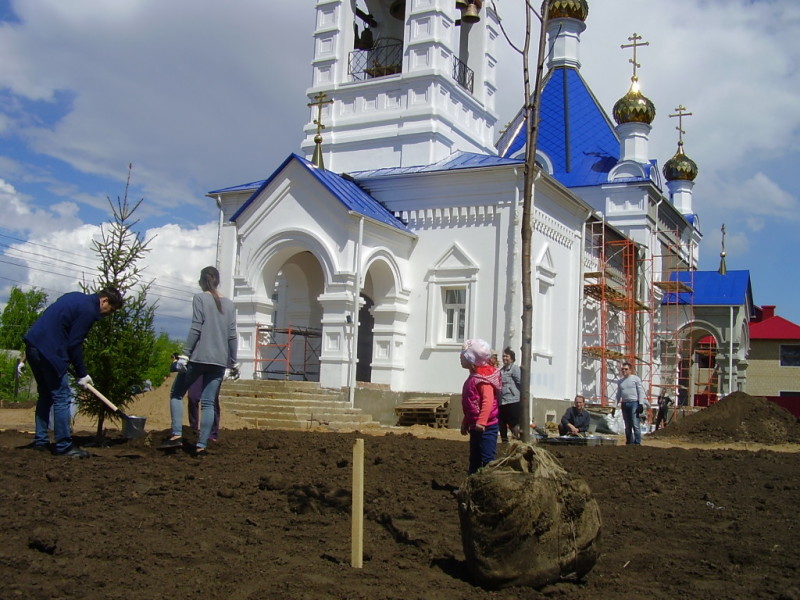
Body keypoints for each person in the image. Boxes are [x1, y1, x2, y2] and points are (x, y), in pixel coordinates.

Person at [23, 287, 124, 457]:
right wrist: (82, 373)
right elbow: (74, 344)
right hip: (50, 351)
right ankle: (64, 446)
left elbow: (58, 327)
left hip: (33, 346)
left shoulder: (74, 297)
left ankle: (40, 441)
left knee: (46, 395)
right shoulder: (89, 310)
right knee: (62, 396)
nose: (109, 314)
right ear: (104, 300)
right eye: (111, 309)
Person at [161, 266, 238, 457]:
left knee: (177, 393)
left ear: (201, 281)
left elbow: (196, 327)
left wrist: (185, 354)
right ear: (218, 281)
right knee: (208, 403)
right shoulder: (229, 305)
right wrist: (233, 362)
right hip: (219, 361)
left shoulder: (200, 298)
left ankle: (176, 435)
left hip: (199, 357)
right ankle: (202, 445)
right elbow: (232, 336)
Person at [459, 338, 501, 474]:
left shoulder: (483, 380)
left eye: (464, 355)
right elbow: (472, 403)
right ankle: (470, 488)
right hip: (475, 425)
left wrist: (482, 421)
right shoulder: (473, 377)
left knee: (487, 459)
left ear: (472, 360)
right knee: (474, 458)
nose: (460, 357)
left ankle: (489, 487)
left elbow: (487, 402)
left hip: (487, 427)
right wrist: (466, 421)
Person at [615, 361, 645, 445]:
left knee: (635, 424)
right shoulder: (620, 381)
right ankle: (629, 442)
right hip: (624, 404)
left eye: (626, 369)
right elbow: (618, 395)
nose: (624, 371)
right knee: (627, 425)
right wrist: (614, 406)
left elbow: (640, 392)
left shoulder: (635, 379)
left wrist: (641, 403)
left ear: (630, 370)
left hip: (634, 403)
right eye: (622, 369)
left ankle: (637, 443)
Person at [187, 376, 221, 442]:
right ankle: (193, 429)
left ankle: (212, 433)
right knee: (192, 397)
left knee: (212, 399)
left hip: (215, 368)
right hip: (196, 368)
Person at [498, 346, 521, 443]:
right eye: (503, 356)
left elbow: (520, 382)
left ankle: (517, 441)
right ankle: (504, 441)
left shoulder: (514, 369)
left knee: (513, 422)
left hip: (513, 400)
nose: (504, 358)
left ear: (511, 358)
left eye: (506, 356)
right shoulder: (501, 370)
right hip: (502, 400)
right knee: (501, 422)